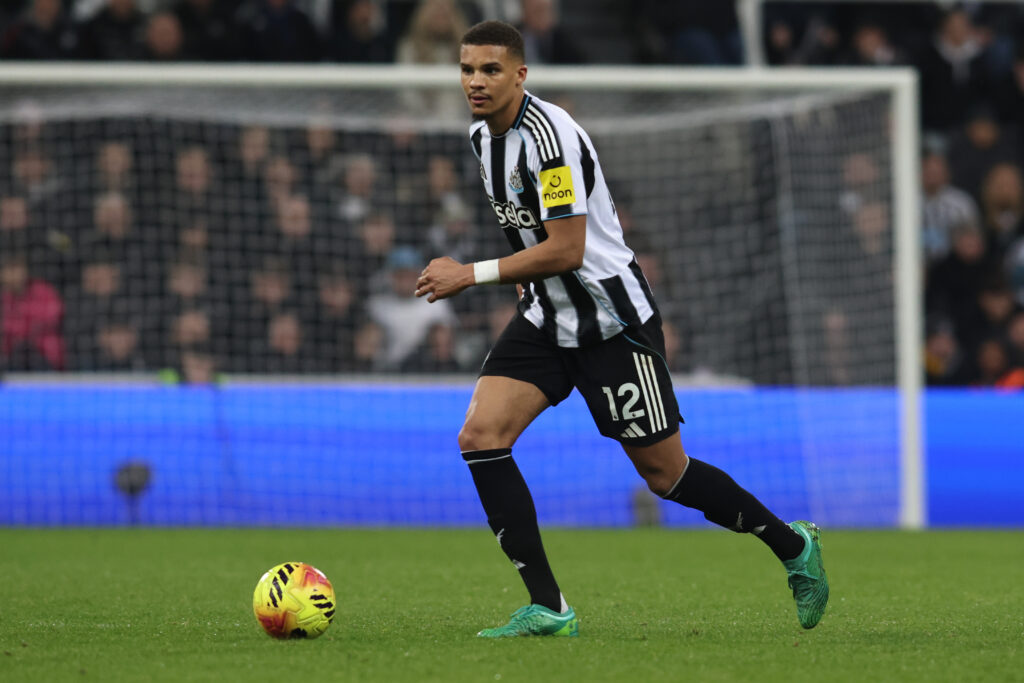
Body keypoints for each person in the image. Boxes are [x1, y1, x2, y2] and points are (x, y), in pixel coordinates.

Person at [413, 20, 829, 638]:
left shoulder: (548, 139)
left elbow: (569, 248)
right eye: (468, 69)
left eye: (491, 69)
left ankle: (792, 546)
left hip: (612, 323)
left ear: (520, 75)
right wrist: (524, 279)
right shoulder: (482, 139)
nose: (476, 81)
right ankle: (550, 608)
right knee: (480, 435)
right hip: (547, 319)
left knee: (667, 476)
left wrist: (469, 275)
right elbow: (529, 230)